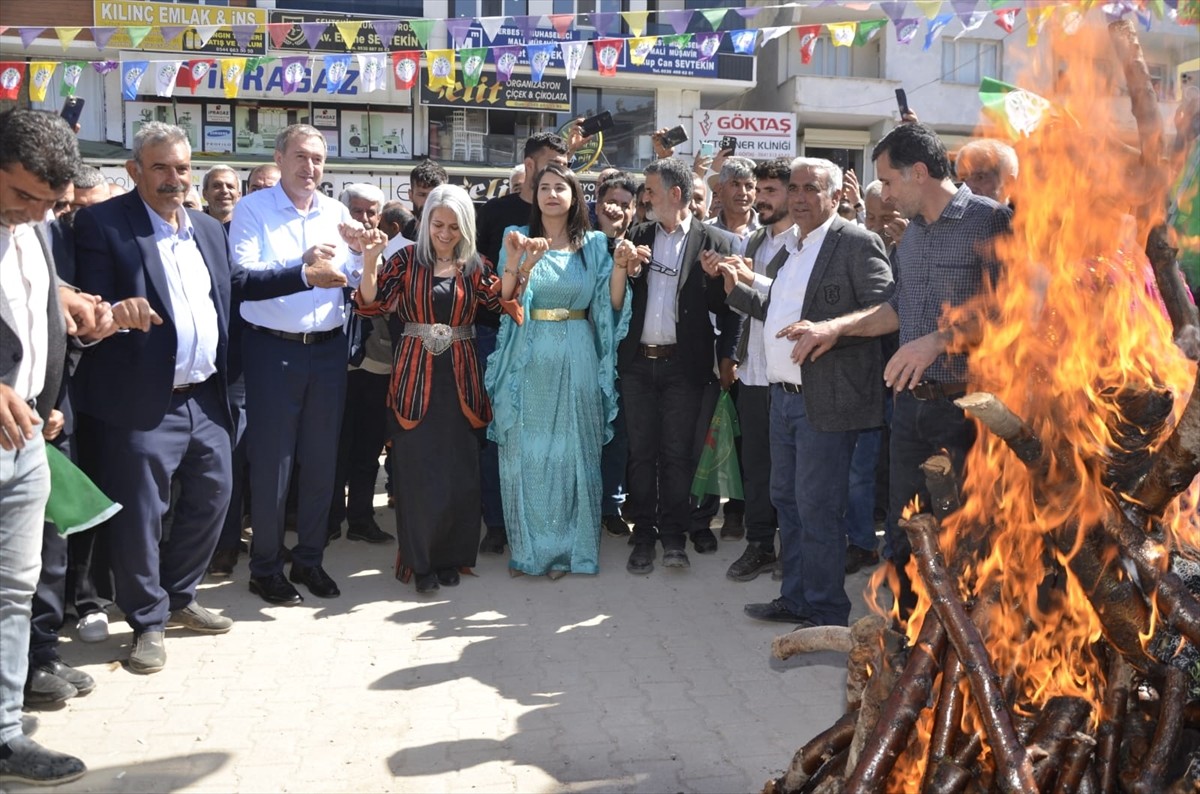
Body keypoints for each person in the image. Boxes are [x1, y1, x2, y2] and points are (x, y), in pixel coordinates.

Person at [73, 122, 316, 672]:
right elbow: (87, 305)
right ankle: (147, 621)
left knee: (215, 497)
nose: (173, 179)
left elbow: (238, 286)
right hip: (140, 400)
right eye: (160, 167)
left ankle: (179, 595)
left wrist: (303, 274)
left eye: (181, 168)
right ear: (134, 170)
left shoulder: (207, 228)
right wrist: (111, 313)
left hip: (205, 396)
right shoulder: (102, 224)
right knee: (142, 514)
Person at [785, 123, 1012, 618]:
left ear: (919, 172)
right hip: (910, 408)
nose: (884, 195)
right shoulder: (913, 237)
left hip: (968, 411)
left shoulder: (991, 221)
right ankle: (909, 635)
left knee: (963, 536)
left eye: (888, 181)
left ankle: (965, 642)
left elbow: (1011, 313)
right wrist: (834, 328)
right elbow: (896, 308)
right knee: (906, 533)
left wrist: (939, 340)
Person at [723, 157, 893, 628]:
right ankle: (796, 598)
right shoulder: (793, 247)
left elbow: (885, 309)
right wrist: (735, 287)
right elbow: (780, 312)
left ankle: (825, 610)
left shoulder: (856, 242)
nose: (798, 197)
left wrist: (831, 329)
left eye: (810, 189)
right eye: (793, 188)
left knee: (818, 508)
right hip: (782, 398)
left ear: (836, 196)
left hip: (826, 402)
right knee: (788, 501)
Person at [230, 123, 368, 606]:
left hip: (327, 349)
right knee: (273, 463)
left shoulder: (336, 213)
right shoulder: (253, 209)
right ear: (280, 158)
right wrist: (303, 271)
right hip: (272, 350)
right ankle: (266, 567)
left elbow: (353, 280)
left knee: (321, 461)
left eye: (318, 159)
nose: (310, 167)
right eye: (301, 157)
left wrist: (360, 252)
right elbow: (243, 277)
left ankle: (310, 559)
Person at [355, 185, 516, 593]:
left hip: (462, 379)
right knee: (416, 473)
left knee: (459, 473)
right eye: (438, 224)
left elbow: (501, 303)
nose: (445, 233)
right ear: (426, 223)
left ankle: (452, 557)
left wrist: (515, 264)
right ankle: (420, 562)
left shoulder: (476, 265)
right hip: (413, 377)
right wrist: (370, 260)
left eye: (454, 227)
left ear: (466, 229)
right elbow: (372, 303)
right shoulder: (404, 260)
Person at [485, 163, 630, 578]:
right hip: (530, 353)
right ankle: (532, 549)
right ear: (535, 195)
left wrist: (620, 266)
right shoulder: (517, 236)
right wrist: (517, 262)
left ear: (574, 197)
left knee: (576, 448)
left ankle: (572, 550)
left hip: (579, 351)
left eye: (559, 188)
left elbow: (611, 304)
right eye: (544, 187)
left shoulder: (596, 243)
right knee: (528, 450)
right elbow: (507, 299)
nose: (551, 194)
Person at [0, 108, 89, 786]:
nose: (34, 214)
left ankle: (4, 734)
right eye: (23, 195)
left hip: (26, 436)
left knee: (12, 591)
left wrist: (69, 300)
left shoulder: (34, 224)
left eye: (49, 203)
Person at [619, 156, 737, 575]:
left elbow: (726, 309)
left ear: (674, 193)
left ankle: (673, 537)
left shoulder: (715, 242)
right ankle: (643, 535)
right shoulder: (637, 235)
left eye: (651, 191)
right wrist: (629, 268)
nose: (644, 198)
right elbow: (620, 298)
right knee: (640, 454)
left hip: (683, 367)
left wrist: (716, 279)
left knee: (677, 455)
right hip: (637, 364)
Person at [474, 132, 571, 555]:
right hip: (496, 337)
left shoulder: (572, 219)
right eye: (551, 166)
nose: (557, 179)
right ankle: (497, 522)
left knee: (547, 436)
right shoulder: (496, 213)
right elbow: (476, 270)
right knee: (499, 431)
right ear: (529, 165)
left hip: (553, 343)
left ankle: (542, 522)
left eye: (564, 170)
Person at [719, 158, 795, 582]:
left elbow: (793, 306)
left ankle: (793, 550)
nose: (759, 199)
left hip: (789, 375)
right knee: (757, 466)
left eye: (769, 191)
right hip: (753, 373)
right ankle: (760, 544)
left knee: (792, 470)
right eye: (758, 190)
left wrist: (750, 281)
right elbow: (742, 309)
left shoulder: (806, 244)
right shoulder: (753, 242)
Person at [327, 184, 394, 546]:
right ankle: (330, 518)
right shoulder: (329, 250)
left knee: (368, 447)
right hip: (334, 361)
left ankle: (362, 519)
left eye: (371, 212)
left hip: (377, 362)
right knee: (334, 445)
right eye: (357, 210)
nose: (364, 219)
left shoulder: (392, 254)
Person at [594, 173, 638, 537]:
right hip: (583, 351)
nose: (618, 210)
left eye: (626, 205)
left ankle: (612, 507)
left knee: (618, 436)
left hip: (626, 359)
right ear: (596, 205)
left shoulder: (642, 246)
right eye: (611, 202)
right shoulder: (582, 245)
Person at [705, 157, 759, 255]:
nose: (742, 192)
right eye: (735, 184)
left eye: (749, 186)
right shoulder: (705, 231)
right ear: (720, 191)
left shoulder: (768, 231)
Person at [954, 138, 1018, 206]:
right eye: (963, 179)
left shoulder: (1024, 212)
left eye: (980, 177)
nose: (968, 188)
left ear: (1008, 184)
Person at [403, 159, 447, 240]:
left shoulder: (458, 239)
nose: (428, 201)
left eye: (434, 195)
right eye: (422, 195)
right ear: (410, 195)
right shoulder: (398, 243)